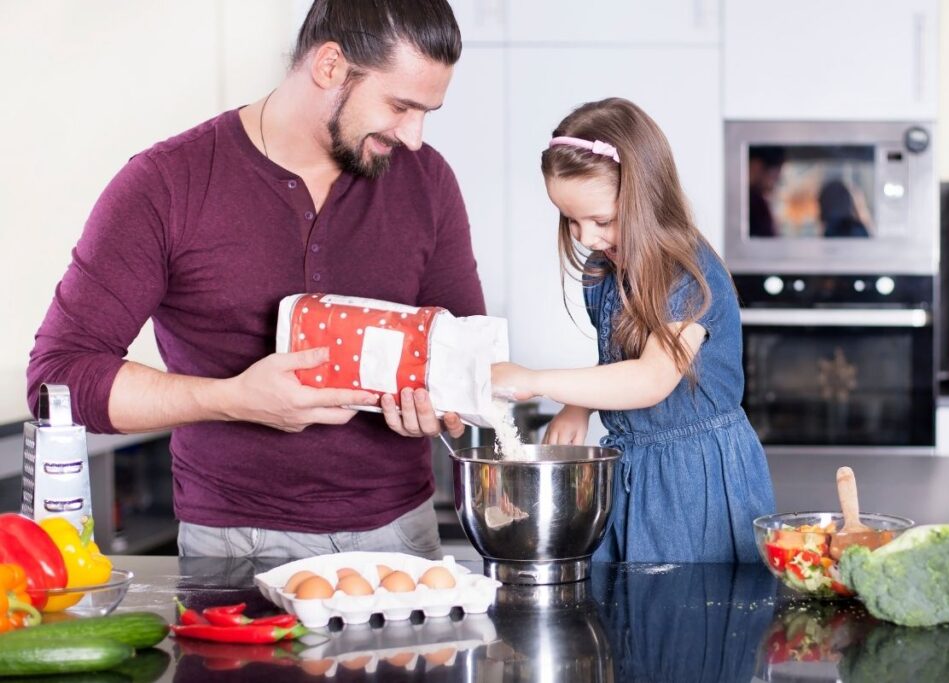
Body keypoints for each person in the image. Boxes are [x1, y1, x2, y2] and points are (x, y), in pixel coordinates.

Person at [26, 0, 484, 559]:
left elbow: (462, 349)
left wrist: (443, 401)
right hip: (233, 546)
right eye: (400, 106)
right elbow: (60, 378)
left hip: (401, 536)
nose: (413, 137)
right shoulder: (167, 183)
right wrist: (232, 399)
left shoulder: (427, 180)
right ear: (330, 67)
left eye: (426, 114)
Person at [491, 98, 775, 563]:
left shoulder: (686, 272)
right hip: (633, 470)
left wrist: (533, 381)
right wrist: (577, 404)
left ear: (647, 197)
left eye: (601, 220)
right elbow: (619, 366)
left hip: (696, 480)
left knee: (686, 617)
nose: (584, 237)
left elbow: (649, 379)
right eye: (571, 219)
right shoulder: (605, 271)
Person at [748, 145, 786, 237]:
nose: (777, 179)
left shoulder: (756, 201)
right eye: (776, 171)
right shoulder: (756, 203)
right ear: (756, 166)